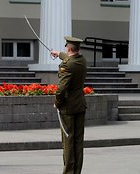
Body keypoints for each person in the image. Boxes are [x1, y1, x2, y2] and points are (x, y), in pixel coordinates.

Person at [50, 36, 87, 174]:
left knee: (68, 142)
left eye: (66, 47)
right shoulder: (82, 60)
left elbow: (61, 89)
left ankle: (68, 172)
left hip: (68, 108)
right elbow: (70, 58)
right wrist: (58, 53)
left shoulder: (67, 65)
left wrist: (57, 103)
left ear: (69, 48)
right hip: (80, 105)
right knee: (78, 142)